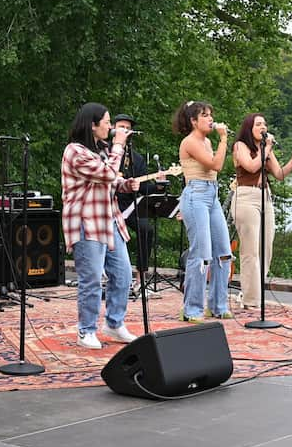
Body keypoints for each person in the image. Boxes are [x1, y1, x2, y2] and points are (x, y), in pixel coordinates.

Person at [62, 103, 141, 349]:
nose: (111, 127)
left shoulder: (102, 150)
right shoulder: (75, 151)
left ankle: (114, 323)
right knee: (92, 279)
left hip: (110, 219)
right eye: (107, 122)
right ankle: (86, 330)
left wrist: (126, 185)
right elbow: (106, 174)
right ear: (92, 125)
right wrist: (119, 145)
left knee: (124, 273)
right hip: (87, 221)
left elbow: (111, 181)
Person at [230, 113, 292, 310]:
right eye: (258, 124)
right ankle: (251, 300)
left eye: (264, 124)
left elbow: (279, 174)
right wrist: (266, 149)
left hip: (265, 197)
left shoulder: (265, 149)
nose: (263, 127)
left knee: (266, 248)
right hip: (246, 197)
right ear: (249, 128)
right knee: (250, 251)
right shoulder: (240, 146)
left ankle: (252, 292)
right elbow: (250, 167)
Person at [173, 100, 232, 321]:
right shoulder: (190, 142)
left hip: (212, 194)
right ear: (193, 121)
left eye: (210, 114)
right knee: (201, 255)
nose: (210, 119)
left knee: (224, 252)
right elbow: (215, 165)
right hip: (196, 195)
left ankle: (218, 305)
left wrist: (219, 141)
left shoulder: (207, 141)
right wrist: (224, 139)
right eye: (204, 115)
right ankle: (192, 310)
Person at [112, 113, 167, 295]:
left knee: (147, 229)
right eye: (121, 127)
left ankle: (139, 278)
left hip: (129, 206)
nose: (125, 131)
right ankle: (114, 276)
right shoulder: (106, 153)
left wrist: (158, 185)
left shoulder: (138, 159)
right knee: (115, 235)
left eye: (128, 128)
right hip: (108, 205)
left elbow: (143, 188)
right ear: (112, 129)